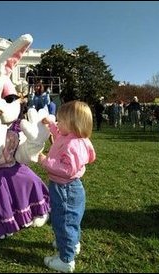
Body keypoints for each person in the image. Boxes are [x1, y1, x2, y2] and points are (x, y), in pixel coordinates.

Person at [38, 100, 96, 273]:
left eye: (60, 121)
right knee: (71, 220)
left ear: (73, 124)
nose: (58, 123)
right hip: (67, 188)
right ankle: (72, 243)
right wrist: (50, 125)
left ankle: (66, 260)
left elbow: (67, 169)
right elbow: (58, 134)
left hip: (65, 189)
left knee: (63, 221)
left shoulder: (73, 145)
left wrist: (45, 161)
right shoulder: (69, 136)